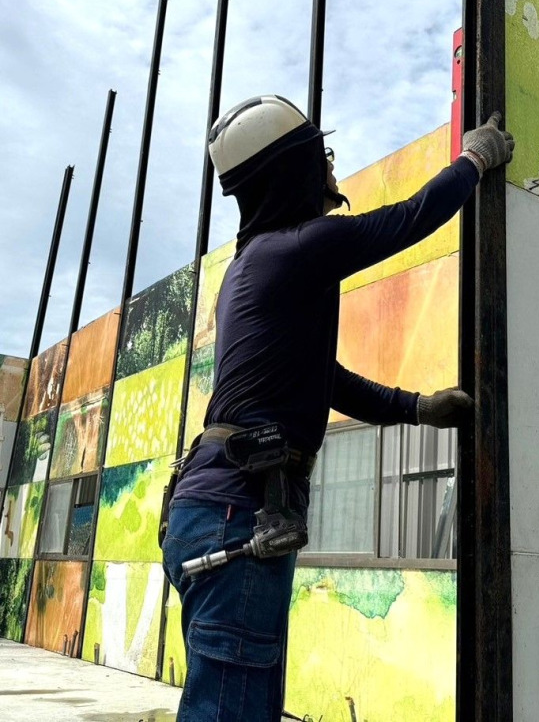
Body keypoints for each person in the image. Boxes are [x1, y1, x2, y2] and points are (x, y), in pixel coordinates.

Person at [160, 94, 514, 721]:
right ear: (290, 171)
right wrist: (474, 161)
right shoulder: (297, 248)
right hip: (238, 513)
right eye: (318, 155)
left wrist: (417, 407)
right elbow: (408, 220)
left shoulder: (253, 267)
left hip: (222, 511)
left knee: (241, 703)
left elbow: (326, 382)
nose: (330, 165)